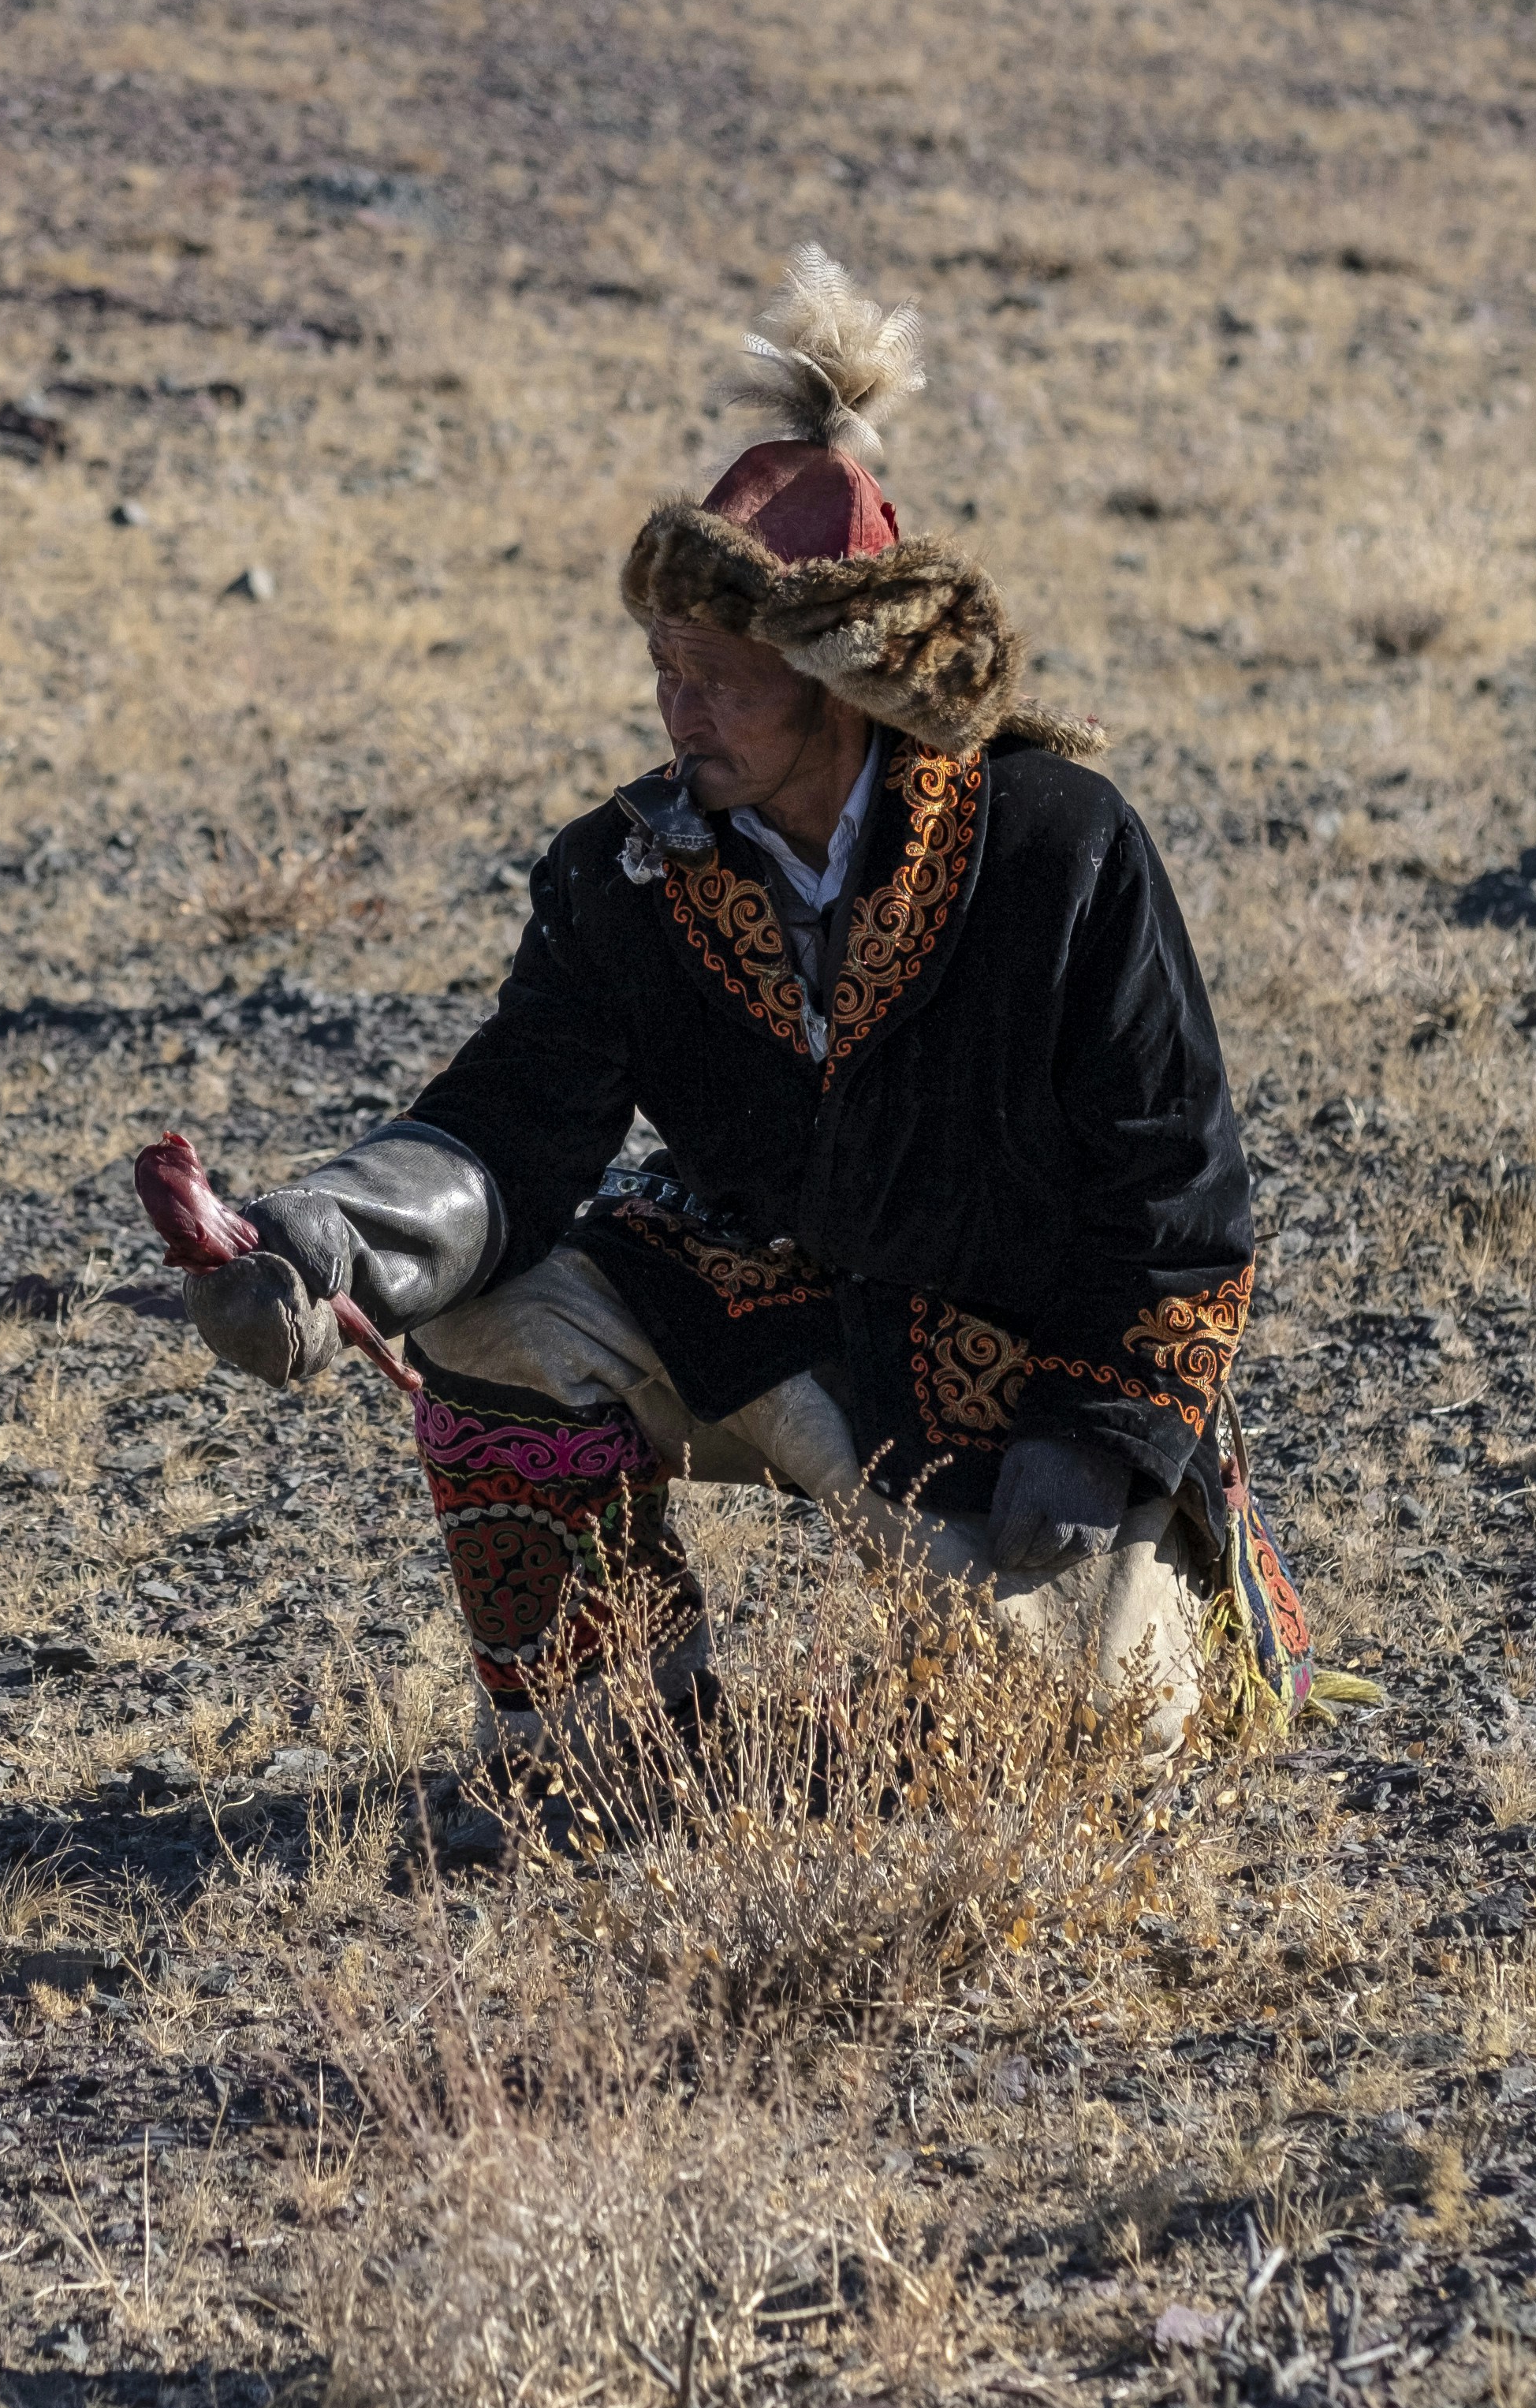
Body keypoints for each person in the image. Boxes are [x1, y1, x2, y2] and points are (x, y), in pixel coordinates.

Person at [172, 252, 1305, 1810]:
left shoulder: (1060, 848)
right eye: (664, 671)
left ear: (846, 682)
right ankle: (617, 1748)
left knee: (1071, 1753)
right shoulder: (625, 870)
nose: (678, 712)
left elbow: (1182, 1205)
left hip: (1021, 1386)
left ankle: (1154, 1623)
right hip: (776, 1310)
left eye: (721, 680)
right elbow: (516, 1119)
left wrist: (1092, 1451)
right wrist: (324, 1239)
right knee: (492, 1326)